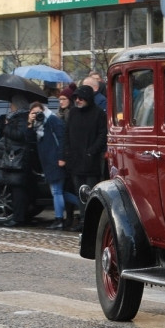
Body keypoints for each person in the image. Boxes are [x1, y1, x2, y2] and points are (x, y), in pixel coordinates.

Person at [61, 84, 107, 231]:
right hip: (76, 160)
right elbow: (67, 133)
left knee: (91, 192)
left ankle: (91, 221)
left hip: (91, 160)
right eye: (76, 98)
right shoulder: (73, 113)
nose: (78, 100)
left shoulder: (98, 113)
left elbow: (102, 134)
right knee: (79, 192)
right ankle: (82, 220)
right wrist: (67, 152)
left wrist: (92, 151)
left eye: (81, 98)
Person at [0, 95, 36, 227]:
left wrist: (7, 127)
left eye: (12, 104)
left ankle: (18, 218)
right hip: (12, 159)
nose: (10, 106)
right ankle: (19, 216)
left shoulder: (22, 118)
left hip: (18, 159)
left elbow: (20, 135)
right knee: (15, 189)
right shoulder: (14, 117)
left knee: (18, 191)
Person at [28, 101, 70, 230]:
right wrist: (30, 122)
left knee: (56, 191)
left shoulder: (52, 120)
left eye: (38, 112)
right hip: (47, 161)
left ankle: (59, 220)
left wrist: (62, 157)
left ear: (43, 110)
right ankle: (82, 203)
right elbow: (29, 138)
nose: (37, 115)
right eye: (33, 112)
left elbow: (62, 138)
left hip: (55, 160)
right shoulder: (38, 124)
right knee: (59, 191)